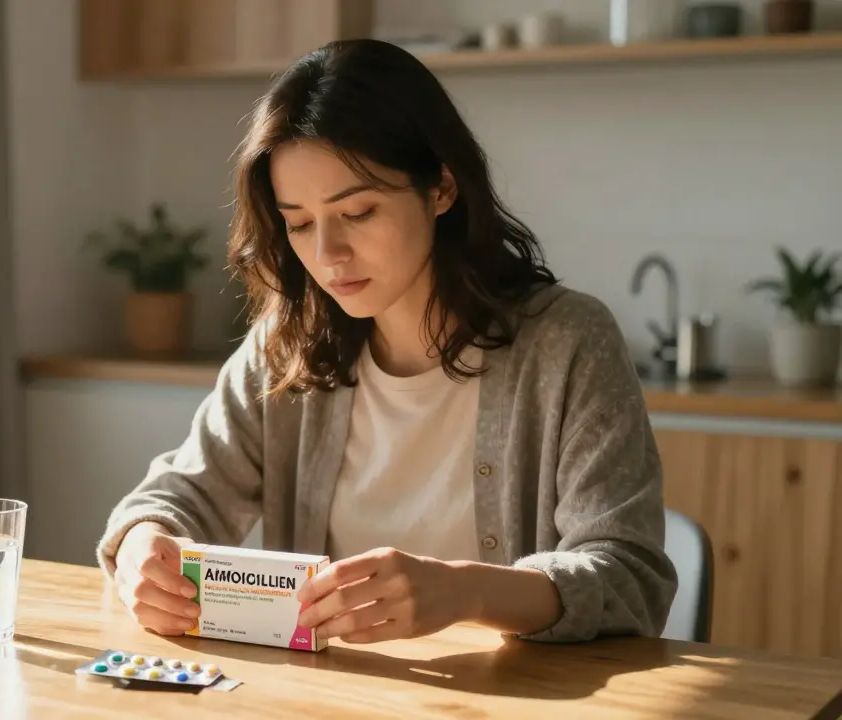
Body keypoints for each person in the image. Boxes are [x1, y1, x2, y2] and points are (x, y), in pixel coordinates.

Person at [95, 38, 677, 645]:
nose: (327, 255)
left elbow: (630, 578)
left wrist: (464, 592)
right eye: (299, 223)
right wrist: (142, 546)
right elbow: (178, 493)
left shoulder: (568, 344)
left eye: (358, 212)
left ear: (442, 189)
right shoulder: (288, 347)